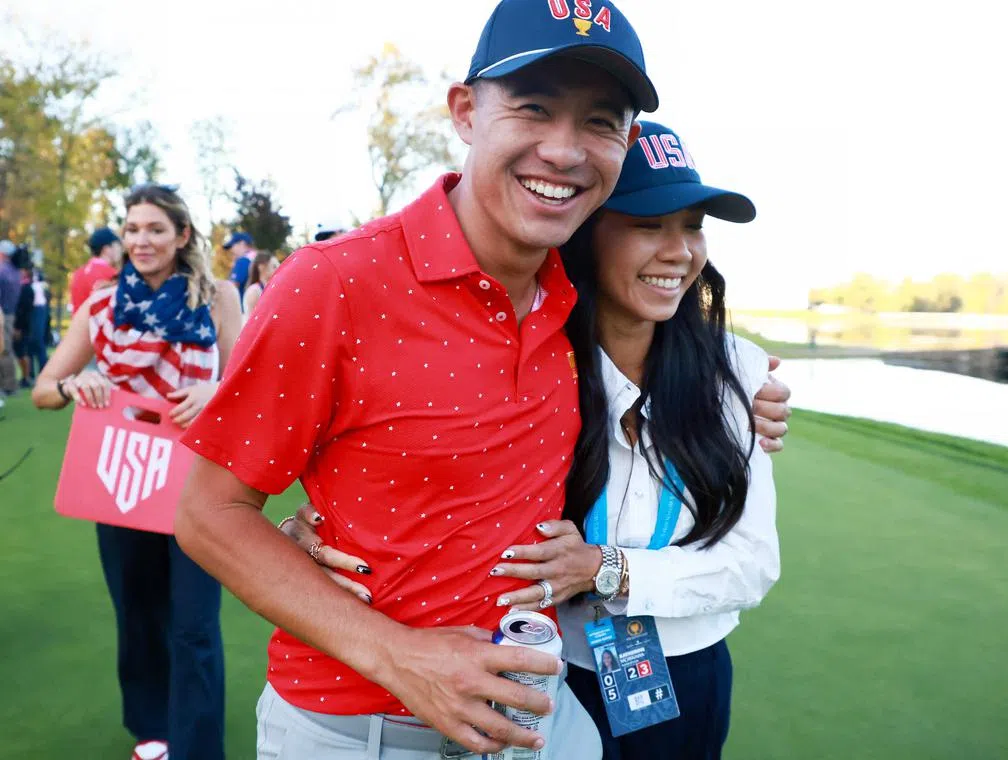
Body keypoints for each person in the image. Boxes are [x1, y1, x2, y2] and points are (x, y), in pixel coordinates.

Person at [175, 1, 666, 757]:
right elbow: (209, 515)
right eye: (534, 108)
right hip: (358, 731)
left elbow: (684, 324)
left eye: (601, 121)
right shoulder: (333, 281)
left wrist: (753, 395)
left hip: (539, 719)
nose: (564, 151)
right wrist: (399, 657)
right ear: (467, 112)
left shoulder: (578, 287)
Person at [290, 122, 784, 760]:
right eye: (646, 223)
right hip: (543, 668)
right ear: (584, 231)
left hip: (688, 674)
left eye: (691, 226)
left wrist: (608, 568)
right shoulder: (530, 360)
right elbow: (428, 474)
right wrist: (317, 528)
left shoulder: (738, 372)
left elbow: (753, 563)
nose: (678, 251)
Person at [32, 183, 242, 760]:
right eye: (131, 230)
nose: (141, 240)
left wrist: (215, 388)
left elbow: (252, 378)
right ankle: (153, 736)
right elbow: (44, 390)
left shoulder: (217, 296)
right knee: (140, 618)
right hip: (120, 482)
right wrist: (79, 383)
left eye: (154, 229)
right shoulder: (101, 302)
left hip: (196, 482)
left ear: (181, 236)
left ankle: (197, 749)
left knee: (194, 626)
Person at [71, 227, 124, 314]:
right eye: (118, 245)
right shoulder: (112, 275)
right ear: (106, 249)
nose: (120, 250)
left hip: (79, 326)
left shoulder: (78, 273)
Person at [14, 266, 52, 386]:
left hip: (37, 312)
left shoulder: (32, 286)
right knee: (32, 345)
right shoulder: (33, 285)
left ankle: (43, 375)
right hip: (35, 313)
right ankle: (31, 375)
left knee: (37, 344)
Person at [0, 239, 21, 395]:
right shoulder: (15, 271)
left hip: (3, 313)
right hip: (10, 314)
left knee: (4, 350)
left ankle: (9, 386)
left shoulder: (2, 270)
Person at [241, 250, 279, 320]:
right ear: (261, 267)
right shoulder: (254, 291)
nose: (278, 269)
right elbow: (252, 321)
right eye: (274, 266)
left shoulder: (270, 288)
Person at [223, 231, 256, 299]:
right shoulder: (255, 260)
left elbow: (231, 288)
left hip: (240, 307)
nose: (231, 250)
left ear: (242, 244)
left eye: (232, 246)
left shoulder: (242, 261)